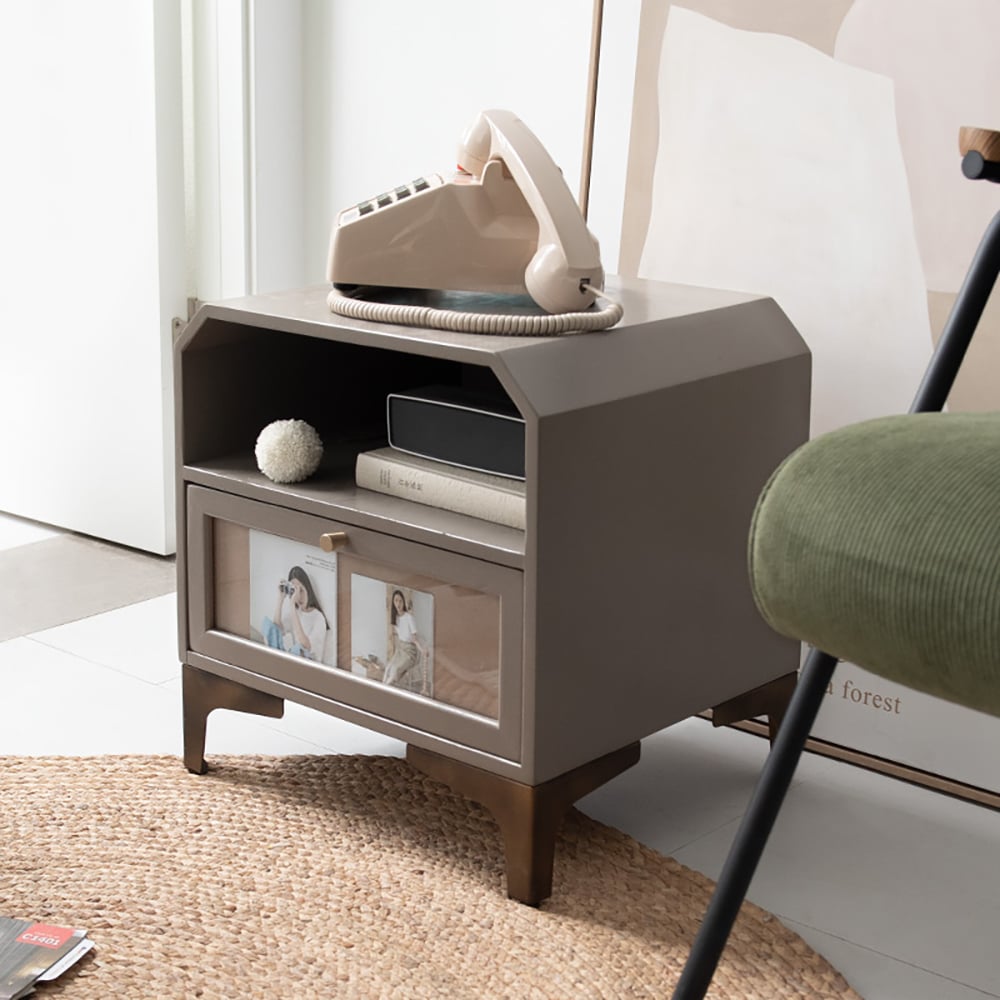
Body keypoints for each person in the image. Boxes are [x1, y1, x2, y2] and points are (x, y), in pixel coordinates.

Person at [262, 566, 328, 662]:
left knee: (299, 648)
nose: (298, 596)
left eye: (301, 590)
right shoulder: (296, 612)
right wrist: (280, 599)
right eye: (295, 591)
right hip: (295, 661)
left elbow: (306, 645)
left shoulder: (318, 617)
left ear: (308, 589)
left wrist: (292, 605)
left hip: (310, 664)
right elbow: (276, 631)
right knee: (269, 627)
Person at [382, 589, 428, 690]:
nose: (398, 604)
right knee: (388, 667)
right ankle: (382, 688)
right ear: (393, 603)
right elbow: (400, 636)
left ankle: (384, 690)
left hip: (410, 652)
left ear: (403, 602)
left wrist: (422, 650)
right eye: (396, 601)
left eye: (400, 601)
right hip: (400, 649)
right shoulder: (395, 618)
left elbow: (414, 639)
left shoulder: (409, 617)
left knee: (395, 669)